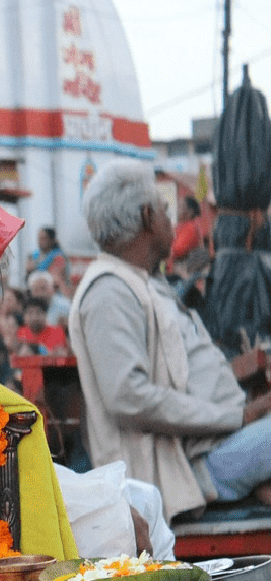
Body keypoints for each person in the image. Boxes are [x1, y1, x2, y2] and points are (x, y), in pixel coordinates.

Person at [68, 160, 271, 522]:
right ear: (148, 217)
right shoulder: (109, 292)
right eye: (164, 211)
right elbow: (128, 397)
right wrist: (237, 415)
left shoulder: (144, 282)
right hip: (192, 469)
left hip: (220, 447)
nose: (171, 221)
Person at [27, 226, 71, 297]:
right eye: (39, 238)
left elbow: (56, 278)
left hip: (55, 293)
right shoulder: (34, 255)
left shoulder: (58, 256)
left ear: (51, 240)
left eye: (44, 238)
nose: (41, 241)